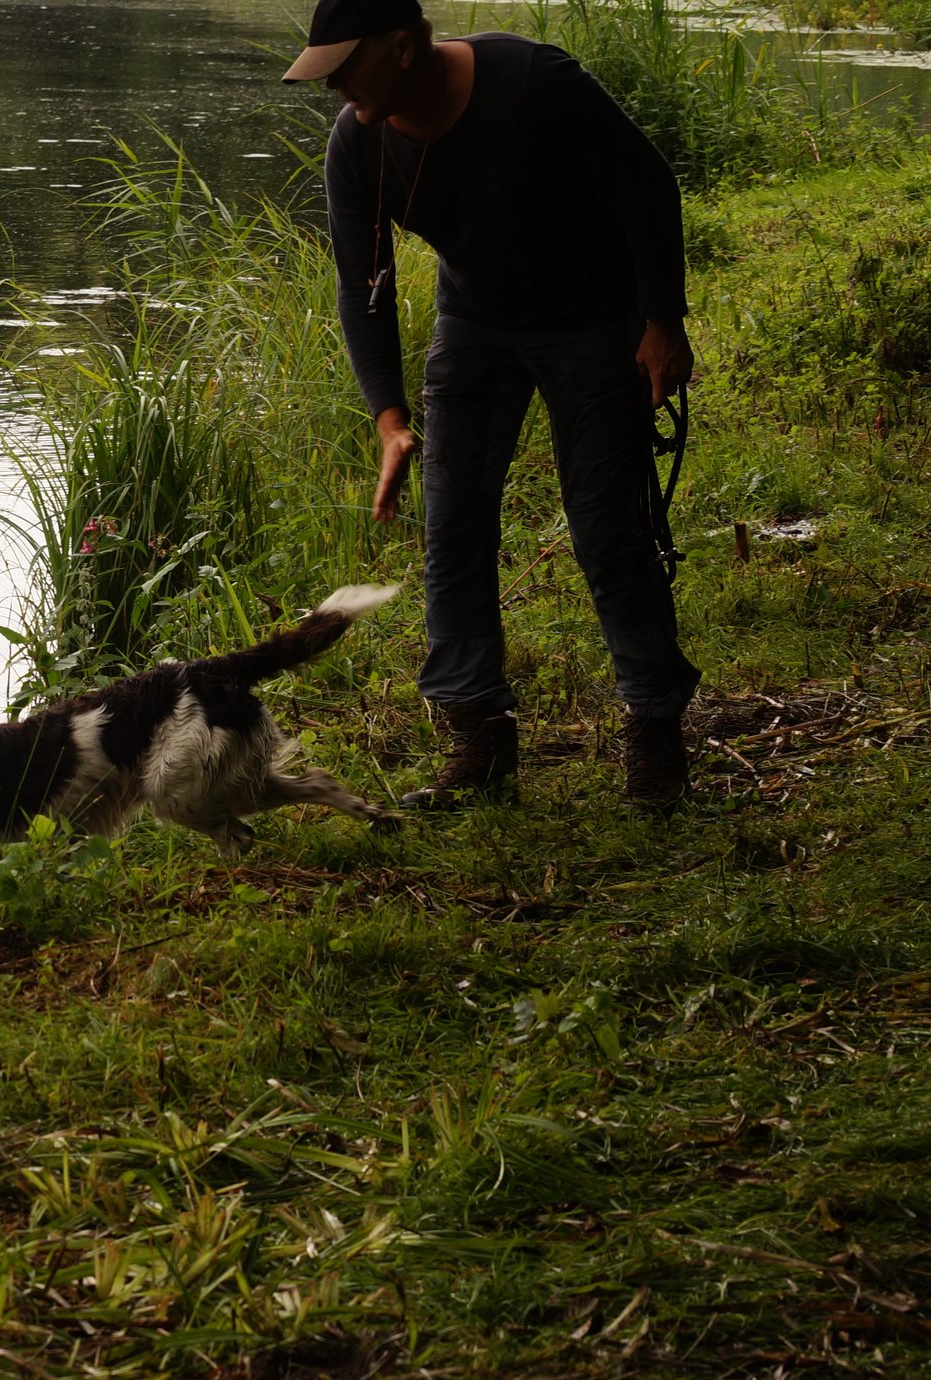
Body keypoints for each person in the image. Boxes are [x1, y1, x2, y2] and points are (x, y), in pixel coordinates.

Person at [286, 0, 700, 805]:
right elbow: (362, 286)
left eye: (344, 67)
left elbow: (645, 184)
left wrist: (661, 323)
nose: (334, 88)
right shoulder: (359, 143)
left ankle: (656, 732)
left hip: (592, 319)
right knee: (454, 529)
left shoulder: (532, 81)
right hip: (475, 323)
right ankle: (479, 740)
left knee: (607, 531)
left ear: (402, 48)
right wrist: (390, 419)